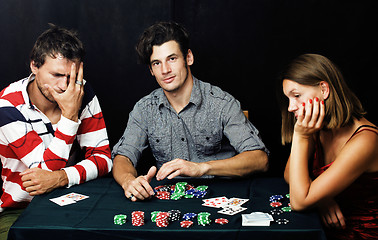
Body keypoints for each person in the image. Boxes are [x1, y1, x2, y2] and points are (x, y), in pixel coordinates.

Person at [112, 21, 269, 202]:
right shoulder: (144, 109)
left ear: (189, 58)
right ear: (151, 70)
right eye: (156, 63)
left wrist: (202, 167)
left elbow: (260, 159)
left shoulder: (221, 103)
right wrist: (128, 181)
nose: (165, 70)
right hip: (169, 201)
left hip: (222, 196)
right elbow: (123, 157)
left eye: (172, 59)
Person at [0, 25, 112, 239]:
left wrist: (61, 178)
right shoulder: (7, 106)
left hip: (70, 198)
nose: (64, 86)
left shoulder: (81, 90)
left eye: (71, 76)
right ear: (34, 66)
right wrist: (70, 116)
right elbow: (45, 172)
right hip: (18, 210)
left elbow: (104, 159)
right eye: (57, 75)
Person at [280, 53, 377, 239]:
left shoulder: (366, 140)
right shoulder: (319, 128)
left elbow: (299, 201)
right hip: (324, 228)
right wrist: (322, 200)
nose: (291, 107)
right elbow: (288, 173)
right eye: (288, 99)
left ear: (324, 90)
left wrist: (300, 136)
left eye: (297, 96)